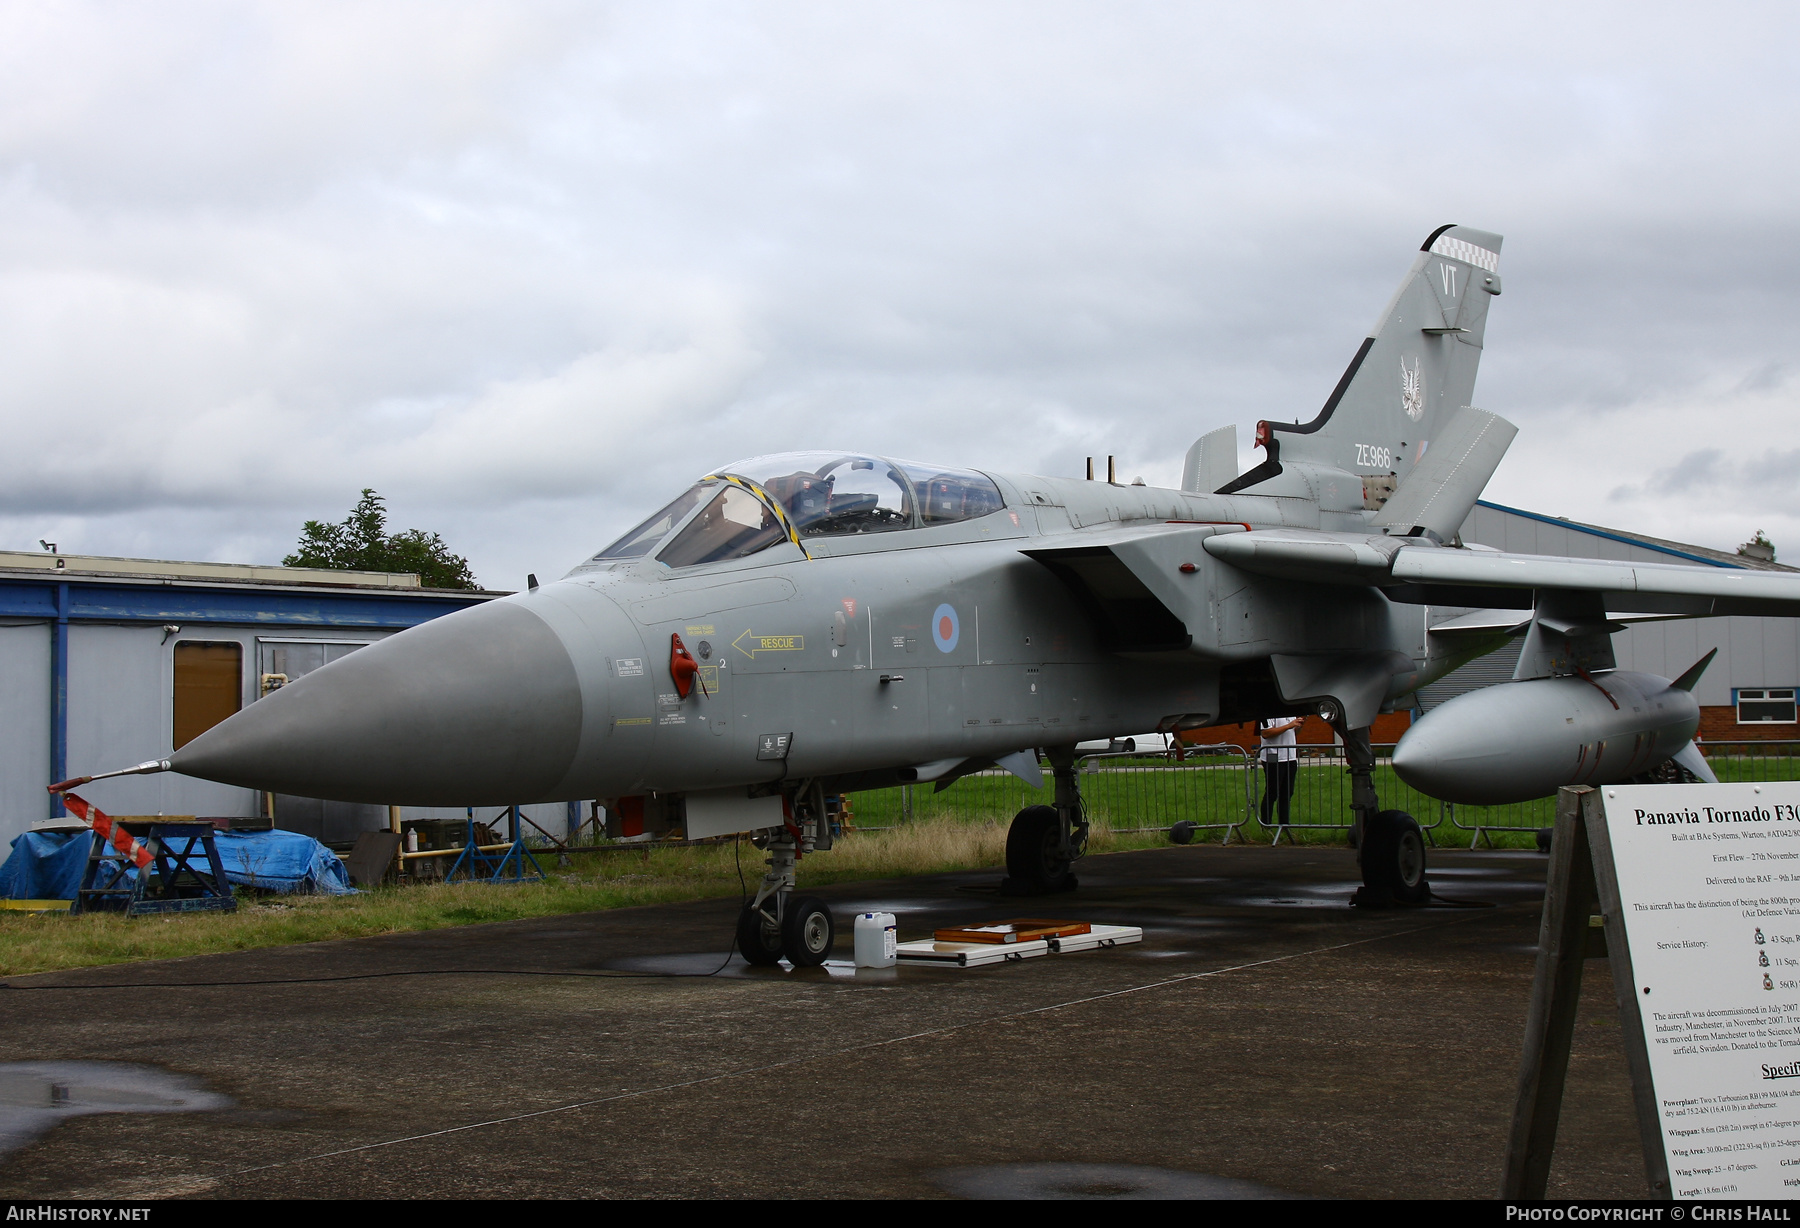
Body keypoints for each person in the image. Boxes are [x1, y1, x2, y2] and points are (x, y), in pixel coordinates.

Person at [1258, 715, 1303, 828]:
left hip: (1290, 757)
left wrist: (1299, 725)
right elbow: (1266, 733)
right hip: (1274, 758)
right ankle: (1266, 825)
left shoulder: (1290, 713)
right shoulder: (1268, 713)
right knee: (1272, 793)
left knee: (1287, 793)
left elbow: (1294, 733)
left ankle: (1284, 825)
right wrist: (1289, 725)